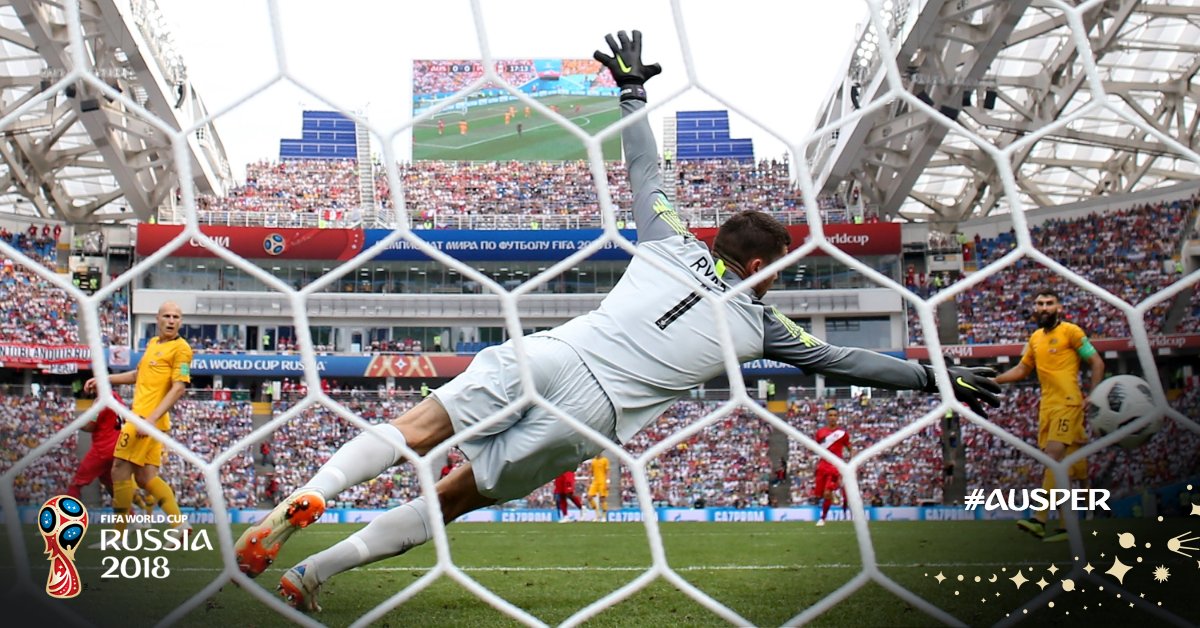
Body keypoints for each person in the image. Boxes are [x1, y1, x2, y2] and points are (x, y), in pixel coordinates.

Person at [237, 30, 999, 613]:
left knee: (417, 429)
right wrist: (930, 374)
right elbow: (846, 363)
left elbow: (643, 169)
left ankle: (311, 495)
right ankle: (313, 575)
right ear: (763, 265)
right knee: (455, 497)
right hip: (589, 418)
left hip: (554, 356)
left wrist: (631, 93)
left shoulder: (670, 236)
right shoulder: (765, 326)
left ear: (718, 239)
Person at [995, 288, 1104, 542]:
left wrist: (1094, 395)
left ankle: (1039, 519)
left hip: (1069, 404)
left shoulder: (1071, 332)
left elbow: (1097, 363)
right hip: (1047, 408)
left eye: (1049, 303)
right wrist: (995, 379)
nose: (1044, 307)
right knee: (1069, 470)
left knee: (1054, 458)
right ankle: (1068, 528)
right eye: (1040, 303)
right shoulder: (1034, 338)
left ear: (1059, 308)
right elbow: (1022, 369)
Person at [85, 301, 192, 535]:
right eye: (167, 316)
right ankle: (179, 523)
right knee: (145, 478)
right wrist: (105, 380)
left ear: (181, 321)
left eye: (176, 317)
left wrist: (150, 419)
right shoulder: (154, 344)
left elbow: (179, 387)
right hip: (148, 420)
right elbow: (138, 374)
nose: (172, 320)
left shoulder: (181, 349)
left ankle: (119, 535)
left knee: (118, 470)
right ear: (158, 319)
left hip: (146, 419)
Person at [65, 391, 126, 500]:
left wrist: (76, 423)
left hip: (103, 449)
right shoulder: (118, 399)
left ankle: (66, 515)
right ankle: (128, 515)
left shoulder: (101, 400)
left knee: (76, 484)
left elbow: (90, 426)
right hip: (118, 448)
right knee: (111, 486)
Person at [813, 406, 851, 527]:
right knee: (820, 494)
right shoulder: (820, 433)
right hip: (823, 465)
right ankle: (836, 492)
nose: (833, 418)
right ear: (826, 417)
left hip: (835, 466)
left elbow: (850, 448)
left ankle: (822, 518)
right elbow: (817, 448)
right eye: (830, 415)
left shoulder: (843, 434)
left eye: (835, 415)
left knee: (827, 492)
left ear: (838, 417)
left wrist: (852, 462)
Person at [586, 453, 610, 523]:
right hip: (595, 482)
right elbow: (590, 472)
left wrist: (608, 482)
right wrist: (588, 481)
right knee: (589, 497)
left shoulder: (605, 460)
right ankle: (597, 514)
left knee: (602, 499)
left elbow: (608, 471)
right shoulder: (593, 461)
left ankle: (604, 516)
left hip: (603, 481)